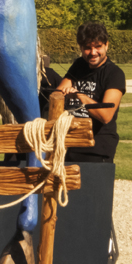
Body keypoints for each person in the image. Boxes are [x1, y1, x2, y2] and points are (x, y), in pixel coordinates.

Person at [55, 22, 125, 163]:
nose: (93, 53)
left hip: (97, 148)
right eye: (87, 48)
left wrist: (80, 96)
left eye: (98, 46)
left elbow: (105, 115)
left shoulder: (115, 74)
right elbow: (57, 94)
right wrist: (64, 92)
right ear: (81, 48)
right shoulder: (79, 65)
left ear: (106, 45)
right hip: (70, 144)